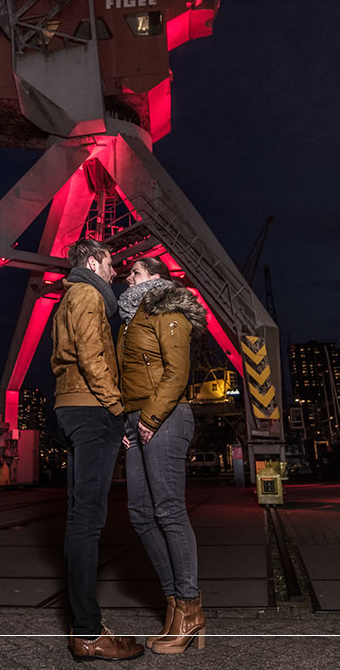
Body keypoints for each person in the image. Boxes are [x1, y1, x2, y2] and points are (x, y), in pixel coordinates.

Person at [51, 238, 144, 662]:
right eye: (111, 264)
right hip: (91, 410)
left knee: (80, 516)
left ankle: (84, 626)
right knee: (88, 521)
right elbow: (91, 357)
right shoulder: (88, 293)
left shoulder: (69, 295)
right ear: (93, 261)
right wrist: (118, 409)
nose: (115, 272)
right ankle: (87, 633)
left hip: (73, 407)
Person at [116, 256, 208, 654]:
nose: (127, 277)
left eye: (135, 272)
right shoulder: (132, 316)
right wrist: (126, 422)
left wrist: (150, 417)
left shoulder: (167, 308)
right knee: (140, 512)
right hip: (137, 419)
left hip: (165, 417)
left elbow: (177, 371)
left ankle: (190, 611)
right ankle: (172, 605)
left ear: (155, 276)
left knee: (169, 511)